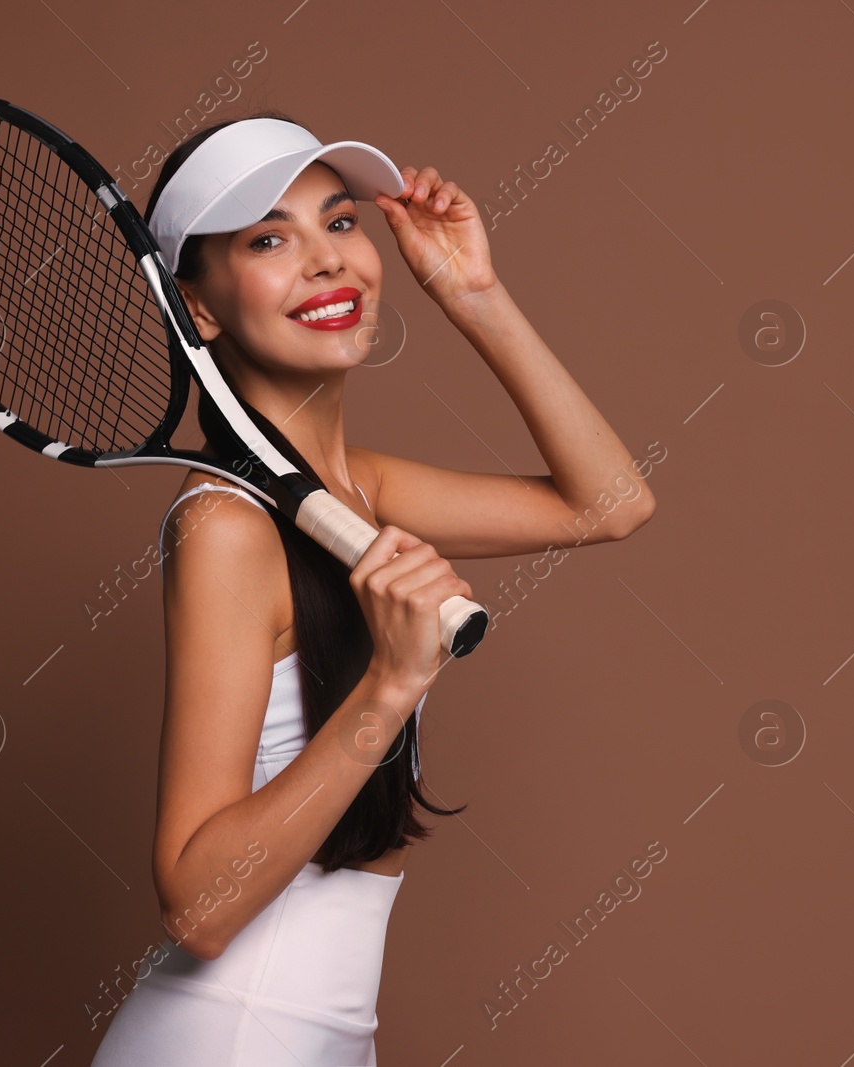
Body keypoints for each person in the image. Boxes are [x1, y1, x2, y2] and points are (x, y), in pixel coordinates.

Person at [88, 110, 657, 1065]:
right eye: (270, 239)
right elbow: (198, 904)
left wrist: (473, 293)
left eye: (339, 221)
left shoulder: (365, 490)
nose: (326, 260)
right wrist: (390, 686)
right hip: (232, 1038)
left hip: (323, 1035)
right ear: (200, 308)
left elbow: (609, 503)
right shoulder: (224, 526)